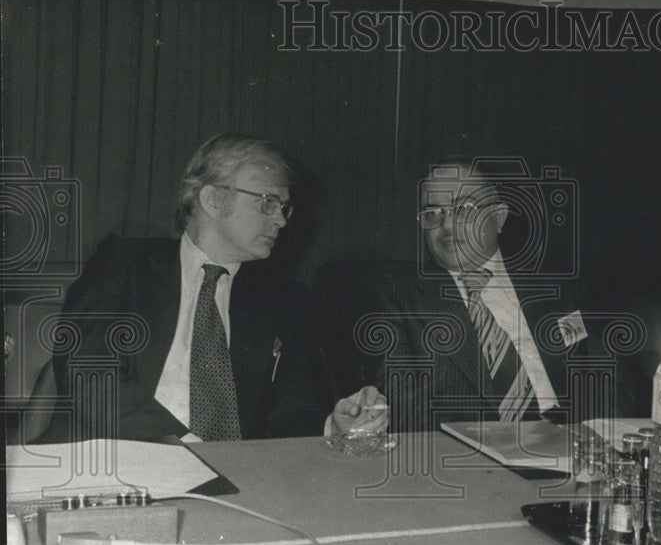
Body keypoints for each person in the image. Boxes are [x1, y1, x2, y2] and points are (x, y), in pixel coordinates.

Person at [41, 133, 386, 443]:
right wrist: (188, 449)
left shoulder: (281, 299)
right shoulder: (124, 264)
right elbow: (90, 378)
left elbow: (289, 410)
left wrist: (333, 425)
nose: (280, 219)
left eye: (284, 207)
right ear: (213, 199)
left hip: (232, 479)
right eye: (267, 201)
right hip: (109, 460)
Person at [373, 160, 629, 431]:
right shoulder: (398, 298)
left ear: (498, 218)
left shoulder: (560, 288)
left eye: (463, 209)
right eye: (433, 213)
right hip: (467, 453)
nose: (447, 225)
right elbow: (400, 406)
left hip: (570, 443)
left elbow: (607, 378)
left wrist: (595, 445)